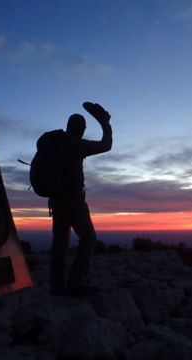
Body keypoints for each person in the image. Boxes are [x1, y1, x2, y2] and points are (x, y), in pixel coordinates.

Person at [49, 102, 112, 296]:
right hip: (73, 200)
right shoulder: (76, 144)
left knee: (60, 243)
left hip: (56, 200)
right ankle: (76, 283)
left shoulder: (57, 143)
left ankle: (57, 287)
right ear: (81, 129)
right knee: (88, 238)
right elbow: (106, 145)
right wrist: (105, 124)